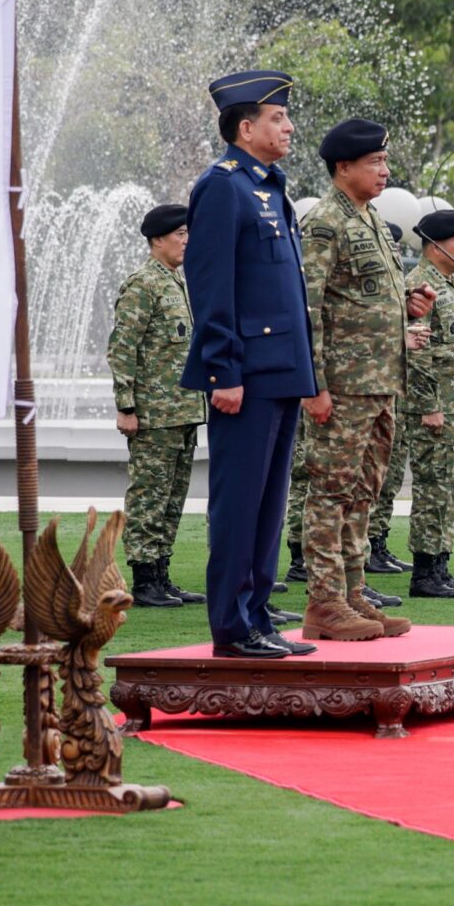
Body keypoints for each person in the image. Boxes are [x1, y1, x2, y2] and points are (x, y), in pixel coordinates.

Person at [181, 71, 316, 659]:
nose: (288, 127)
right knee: (238, 503)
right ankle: (232, 629)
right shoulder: (223, 187)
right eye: (277, 119)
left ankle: (258, 617)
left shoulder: (269, 187)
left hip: (281, 369)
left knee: (268, 503)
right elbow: (212, 288)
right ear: (245, 127)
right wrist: (223, 371)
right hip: (246, 373)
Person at [295, 119, 437, 642]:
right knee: (330, 491)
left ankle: (353, 593)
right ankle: (324, 602)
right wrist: (314, 384)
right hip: (344, 384)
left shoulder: (371, 218)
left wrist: (409, 306)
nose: (385, 171)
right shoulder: (327, 223)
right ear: (343, 167)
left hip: (380, 382)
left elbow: (366, 296)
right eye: (375, 162)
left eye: (384, 161)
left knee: (363, 493)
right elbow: (306, 309)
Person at [108, 202, 207, 607]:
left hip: (182, 410)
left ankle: (162, 573)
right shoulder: (143, 284)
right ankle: (144, 577)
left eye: (188, 234)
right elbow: (122, 348)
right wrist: (126, 406)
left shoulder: (177, 282)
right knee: (149, 495)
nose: (187, 241)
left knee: (172, 497)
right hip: (153, 414)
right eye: (180, 234)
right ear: (157, 240)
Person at [402, 208, 454, 598]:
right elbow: (417, 352)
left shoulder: (453, 285)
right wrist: (428, 404)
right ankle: (424, 572)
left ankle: (441, 565)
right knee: (433, 487)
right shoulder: (421, 285)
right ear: (436, 246)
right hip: (439, 406)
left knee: (452, 489)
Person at [364, 219, 414, 579]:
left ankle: (374, 546)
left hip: (389, 394)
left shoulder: (396, 289)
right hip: (359, 392)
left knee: (383, 481)